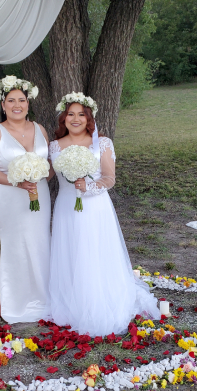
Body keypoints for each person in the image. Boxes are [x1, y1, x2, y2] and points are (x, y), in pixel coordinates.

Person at [49, 92, 160, 336]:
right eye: (70, 114)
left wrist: (88, 187)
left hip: (95, 207)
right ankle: (73, 300)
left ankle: (98, 301)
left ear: (89, 118)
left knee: (93, 251)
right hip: (67, 207)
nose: (75, 119)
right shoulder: (54, 146)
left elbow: (109, 178)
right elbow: (46, 175)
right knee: (71, 251)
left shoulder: (103, 143)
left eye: (81, 114)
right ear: (63, 118)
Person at [0, 75, 53, 323]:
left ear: (28, 103)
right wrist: (18, 181)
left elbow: (50, 165)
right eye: (10, 100)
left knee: (41, 241)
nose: (16, 105)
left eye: (21, 100)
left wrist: (40, 176)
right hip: (11, 196)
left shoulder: (40, 129)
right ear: (2, 105)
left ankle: (45, 297)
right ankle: (18, 302)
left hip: (39, 194)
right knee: (16, 246)